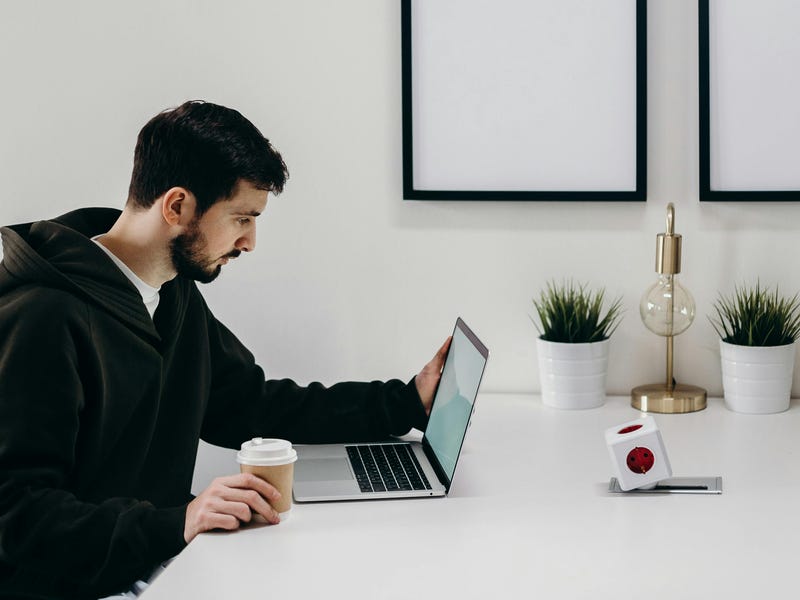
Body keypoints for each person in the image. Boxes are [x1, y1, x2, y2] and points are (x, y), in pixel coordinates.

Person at [0, 100, 450, 599]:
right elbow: (16, 513)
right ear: (177, 206)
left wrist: (406, 401)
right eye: (242, 218)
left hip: (156, 561)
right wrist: (179, 522)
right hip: (72, 588)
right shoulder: (41, 317)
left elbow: (249, 405)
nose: (250, 241)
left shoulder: (172, 292)